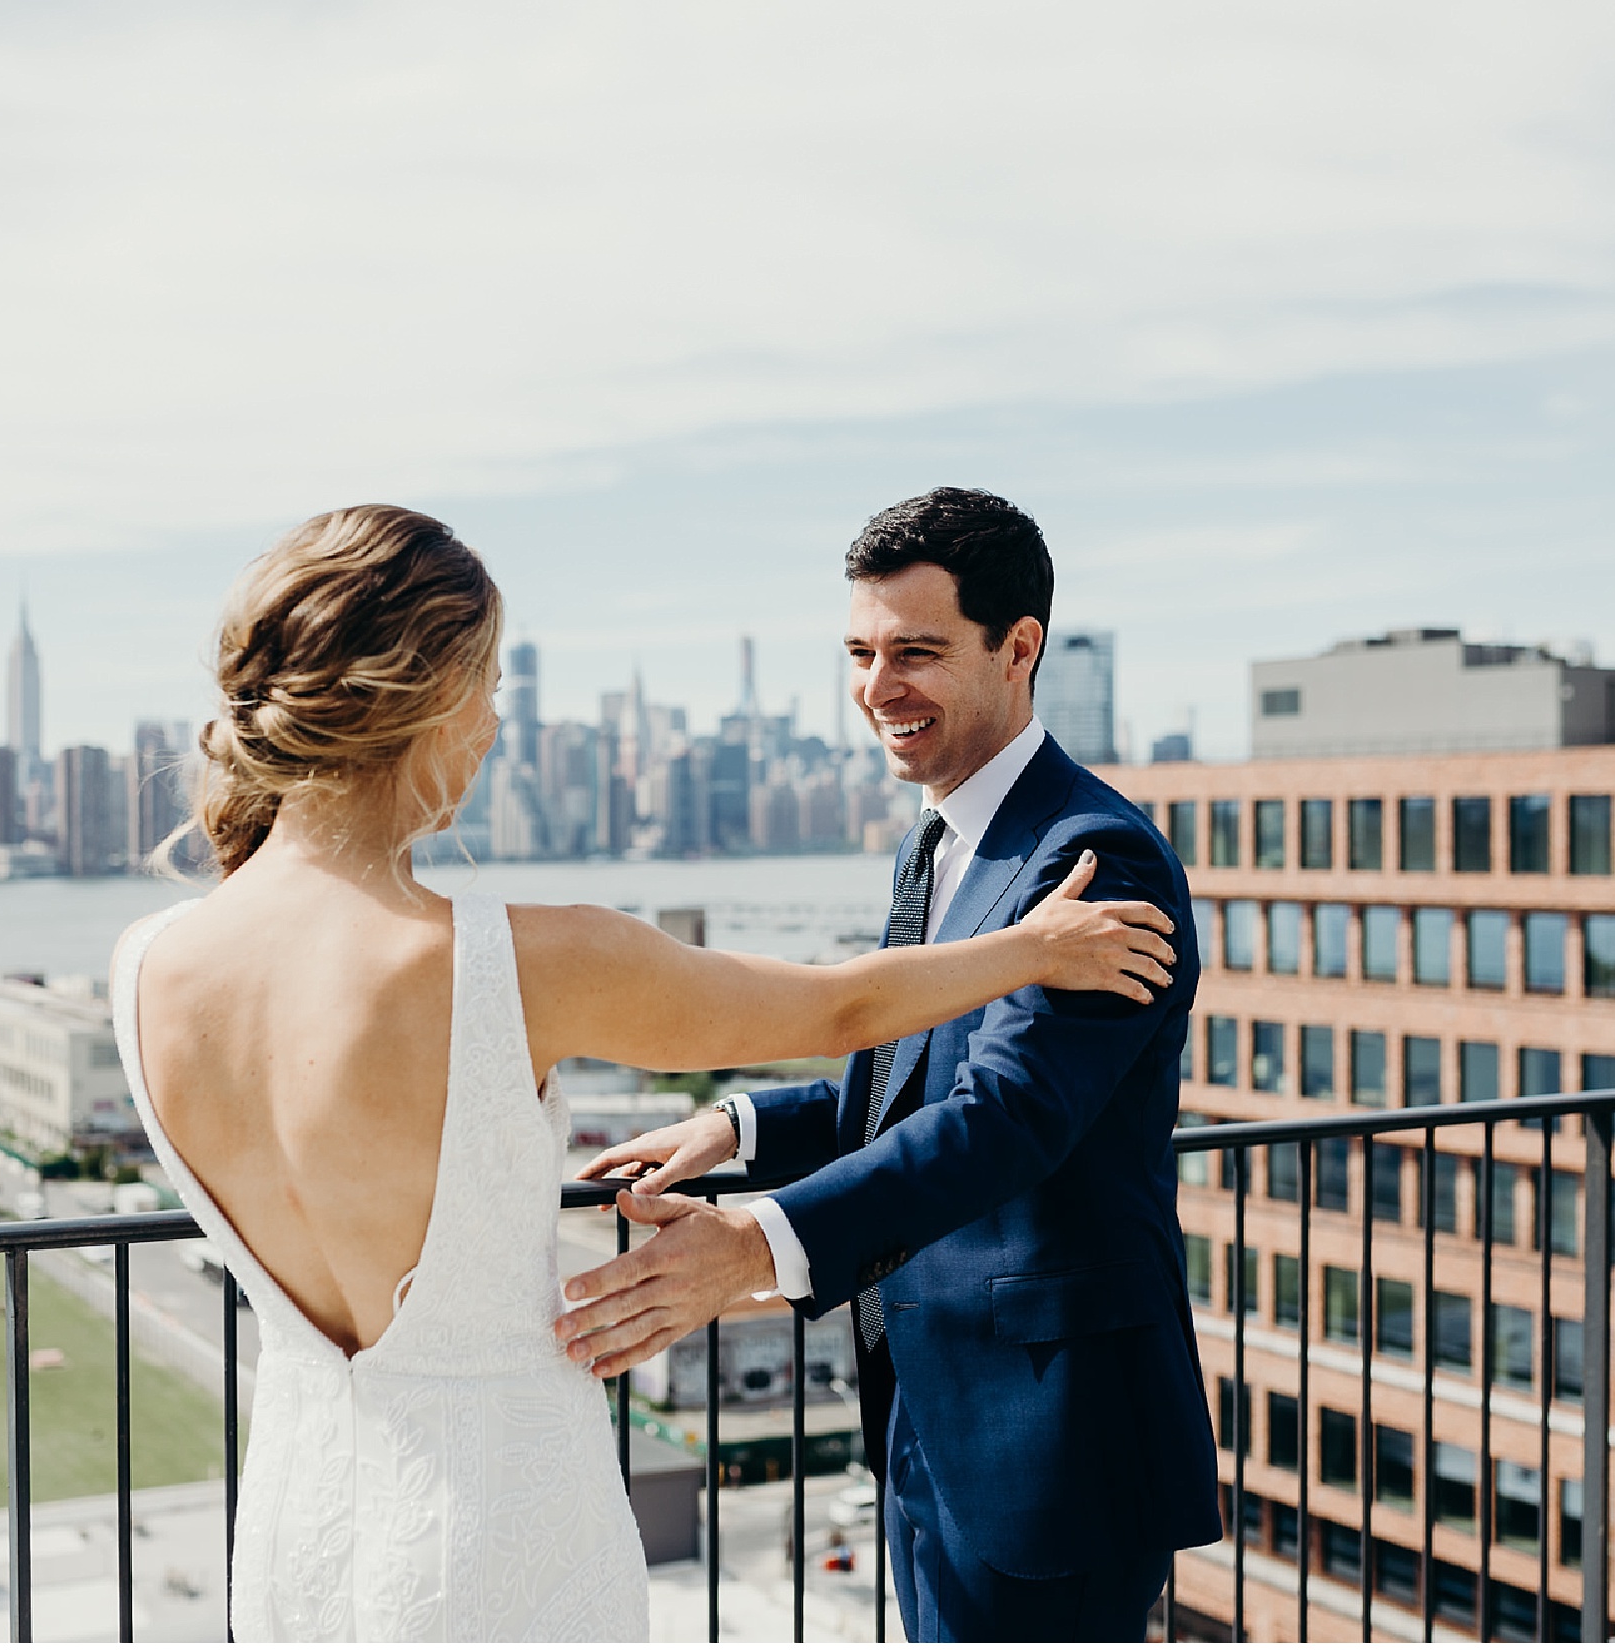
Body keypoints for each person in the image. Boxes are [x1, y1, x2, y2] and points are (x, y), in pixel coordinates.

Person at [110, 503, 1181, 1642]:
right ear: (422, 696)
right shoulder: (521, 956)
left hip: (303, 1516)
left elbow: (989, 1106)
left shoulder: (150, 965)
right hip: (507, 1523)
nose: (493, 728)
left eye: (910, 651)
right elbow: (844, 1008)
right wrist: (1034, 948)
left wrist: (737, 1141)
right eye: (489, 690)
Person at [560, 487, 1221, 1643]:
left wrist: (754, 1246)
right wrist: (741, 1125)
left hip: (1049, 1434)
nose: (876, 688)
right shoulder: (947, 839)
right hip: (931, 1410)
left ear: (1019, 649)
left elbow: (1003, 1116)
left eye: (916, 651)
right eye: (861, 652)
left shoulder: (1092, 857)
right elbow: (913, 1072)